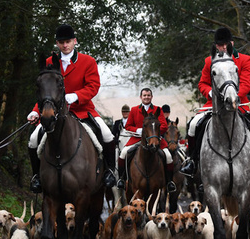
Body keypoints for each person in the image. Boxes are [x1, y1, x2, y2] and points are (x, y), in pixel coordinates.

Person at [27, 24, 117, 193]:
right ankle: (36, 177)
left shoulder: (87, 61)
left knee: (107, 135)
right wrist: (35, 111)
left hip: (82, 110)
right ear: (57, 43)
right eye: (61, 42)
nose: (65, 45)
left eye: (68, 41)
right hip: (54, 113)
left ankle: (110, 172)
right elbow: (44, 91)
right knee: (33, 139)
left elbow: (93, 86)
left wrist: (75, 96)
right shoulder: (49, 62)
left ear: (75, 41)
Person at [179, 27, 250, 177]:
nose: (223, 48)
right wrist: (211, 93)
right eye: (220, 45)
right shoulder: (209, 61)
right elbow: (202, 83)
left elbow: (246, 84)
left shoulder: (244, 59)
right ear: (216, 46)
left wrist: (232, 96)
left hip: (240, 103)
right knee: (192, 125)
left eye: (226, 44)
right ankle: (192, 161)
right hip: (214, 104)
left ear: (232, 43)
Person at [116, 88, 176, 194]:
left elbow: (164, 126)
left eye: (148, 95)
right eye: (144, 95)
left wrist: (155, 133)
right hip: (137, 138)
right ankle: (122, 179)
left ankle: (169, 182)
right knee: (123, 153)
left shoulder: (158, 109)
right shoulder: (134, 110)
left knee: (168, 156)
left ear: (151, 97)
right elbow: (128, 126)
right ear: (141, 97)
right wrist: (138, 130)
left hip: (155, 138)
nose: (146, 97)